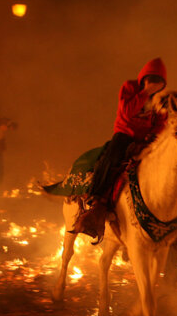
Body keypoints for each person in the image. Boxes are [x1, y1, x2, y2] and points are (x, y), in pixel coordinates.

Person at [72, 57, 168, 241]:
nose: (154, 84)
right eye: (151, 79)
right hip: (125, 134)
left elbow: (161, 122)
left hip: (146, 140)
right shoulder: (130, 88)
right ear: (144, 78)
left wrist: (153, 137)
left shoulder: (161, 99)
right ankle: (96, 200)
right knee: (110, 160)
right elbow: (127, 111)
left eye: (158, 81)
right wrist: (145, 92)